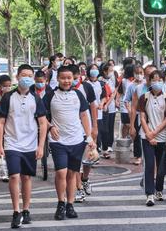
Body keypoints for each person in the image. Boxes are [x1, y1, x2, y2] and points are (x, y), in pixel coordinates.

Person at [0, 65, 48, 228]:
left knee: (26, 177)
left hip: (30, 144)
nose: (26, 78)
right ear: (17, 77)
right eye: (23, 75)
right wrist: (0, 145)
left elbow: (42, 122)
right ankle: (16, 211)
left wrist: (40, 146)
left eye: (29, 75)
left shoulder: (36, 98)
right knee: (14, 176)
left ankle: (26, 209)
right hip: (12, 143)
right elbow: (1, 122)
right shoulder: (8, 97)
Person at [44, 66, 95, 220]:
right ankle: (60, 203)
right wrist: (50, 127)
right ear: (57, 79)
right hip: (58, 141)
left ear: (74, 78)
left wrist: (89, 136)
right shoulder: (50, 95)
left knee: (72, 173)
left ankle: (70, 205)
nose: (66, 81)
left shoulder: (78, 95)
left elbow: (84, 116)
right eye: (63, 78)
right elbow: (41, 117)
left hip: (77, 140)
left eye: (69, 78)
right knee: (61, 172)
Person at [138, 70, 166, 206]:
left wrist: (155, 132)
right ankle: (149, 193)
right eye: (154, 80)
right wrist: (148, 133)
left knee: (160, 168)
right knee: (149, 164)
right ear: (150, 81)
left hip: (162, 136)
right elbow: (142, 116)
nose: (157, 82)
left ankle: (159, 189)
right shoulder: (144, 97)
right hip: (146, 135)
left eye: (160, 80)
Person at [70, 65, 98, 202]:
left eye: (74, 78)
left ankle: (85, 179)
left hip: (87, 129)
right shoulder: (64, 91)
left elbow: (93, 106)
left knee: (88, 160)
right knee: (76, 162)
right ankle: (79, 188)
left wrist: (94, 127)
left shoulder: (87, 87)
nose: (71, 81)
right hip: (72, 132)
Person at [100, 62, 117, 158]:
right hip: (104, 107)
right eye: (110, 71)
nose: (111, 72)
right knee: (104, 129)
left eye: (112, 70)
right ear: (104, 71)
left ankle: (110, 145)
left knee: (111, 127)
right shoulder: (100, 81)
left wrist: (110, 102)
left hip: (111, 107)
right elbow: (106, 95)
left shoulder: (112, 79)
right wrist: (106, 103)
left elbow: (114, 92)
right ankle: (104, 146)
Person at [119, 64, 135, 138]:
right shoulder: (124, 81)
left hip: (133, 104)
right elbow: (120, 91)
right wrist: (117, 101)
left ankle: (130, 139)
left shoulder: (136, 81)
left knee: (132, 123)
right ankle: (124, 138)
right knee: (126, 123)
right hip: (125, 105)